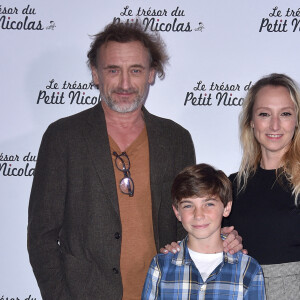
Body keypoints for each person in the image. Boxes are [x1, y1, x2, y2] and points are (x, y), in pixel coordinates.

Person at [27, 21, 241, 300]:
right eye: (113, 70)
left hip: (162, 291)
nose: (125, 83)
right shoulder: (63, 137)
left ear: (151, 74)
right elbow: (41, 236)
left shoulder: (176, 138)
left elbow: (186, 224)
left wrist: (221, 240)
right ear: (95, 74)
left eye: (136, 70)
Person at [224, 73, 300, 300]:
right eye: (265, 114)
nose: (275, 124)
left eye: (285, 114)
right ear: (251, 121)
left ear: (296, 120)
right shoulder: (232, 185)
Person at [142, 164, 265, 299]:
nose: (198, 215)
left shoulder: (248, 269)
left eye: (209, 204)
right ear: (177, 212)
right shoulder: (161, 267)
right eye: (188, 205)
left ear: (226, 207)